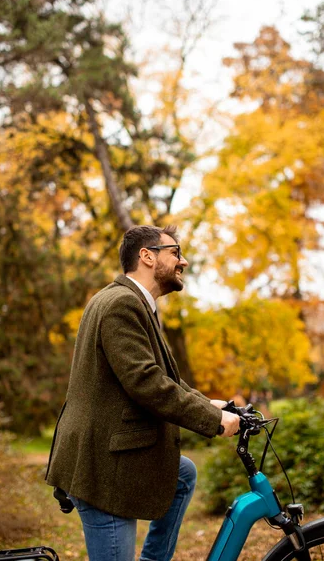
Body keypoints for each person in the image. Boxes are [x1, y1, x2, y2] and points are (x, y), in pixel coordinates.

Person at [45, 225, 240, 561]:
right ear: (147, 256)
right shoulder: (123, 304)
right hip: (103, 470)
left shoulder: (130, 301)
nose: (184, 261)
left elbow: (161, 376)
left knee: (183, 474)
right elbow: (146, 383)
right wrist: (212, 420)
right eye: (176, 252)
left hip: (105, 455)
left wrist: (207, 403)